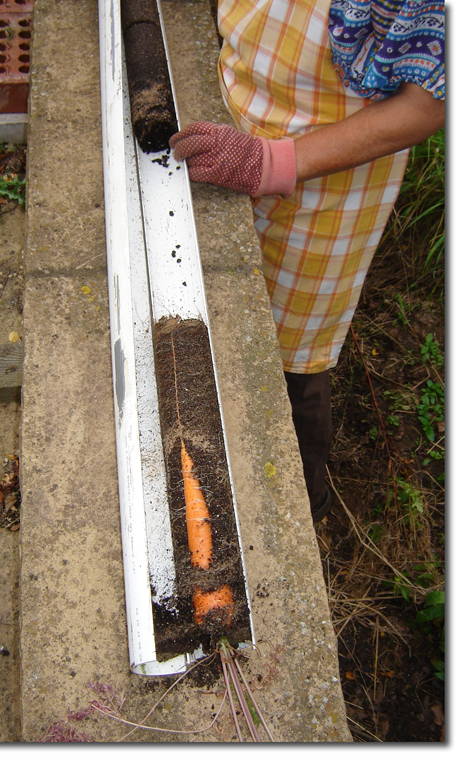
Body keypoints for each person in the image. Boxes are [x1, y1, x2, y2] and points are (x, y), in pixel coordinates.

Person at [169, 0, 445, 521]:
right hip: (235, 122)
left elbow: (430, 103)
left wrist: (271, 160)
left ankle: (300, 510)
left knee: (291, 357)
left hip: (327, 178)